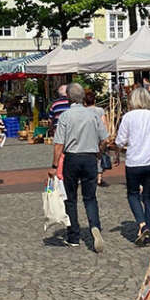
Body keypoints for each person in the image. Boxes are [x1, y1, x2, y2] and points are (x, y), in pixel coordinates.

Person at [53, 83, 108, 251]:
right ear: (83, 97)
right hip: (90, 158)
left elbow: (59, 144)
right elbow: (105, 139)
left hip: (72, 158)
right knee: (90, 197)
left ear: (68, 97)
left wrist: (54, 165)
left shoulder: (65, 116)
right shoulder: (93, 115)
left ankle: (74, 235)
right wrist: (99, 152)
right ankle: (95, 226)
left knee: (70, 198)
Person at [115, 87, 150, 245]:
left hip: (133, 163)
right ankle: (148, 228)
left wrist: (117, 153)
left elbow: (120, 141)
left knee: (133, 194)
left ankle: (142, 223)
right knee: (149, 198)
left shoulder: (128, 117)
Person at [85, 90, 112, 188]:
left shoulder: (83, 111)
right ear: (94, 100)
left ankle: (88, 176)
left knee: (88, 155)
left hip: (88, 136)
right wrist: (106, 136)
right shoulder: (100, 110)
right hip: (99, 136)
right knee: (99, 156)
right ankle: (99, 178)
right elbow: (104, 123)